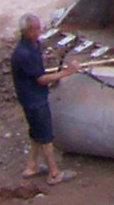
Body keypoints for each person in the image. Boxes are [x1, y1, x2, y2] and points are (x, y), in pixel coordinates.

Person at [10, 14, 71, 183]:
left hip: (32, 97)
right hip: (33, 100)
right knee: (45, 136)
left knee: (35, 133)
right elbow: (41, 79)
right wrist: (66, 72)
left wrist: (46, 58)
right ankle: (54, 173)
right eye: (35, 29)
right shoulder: (23, 53)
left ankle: (31, 166)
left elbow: (34, 62)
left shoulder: (31, 46)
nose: (39, 32)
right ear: (26, 31)